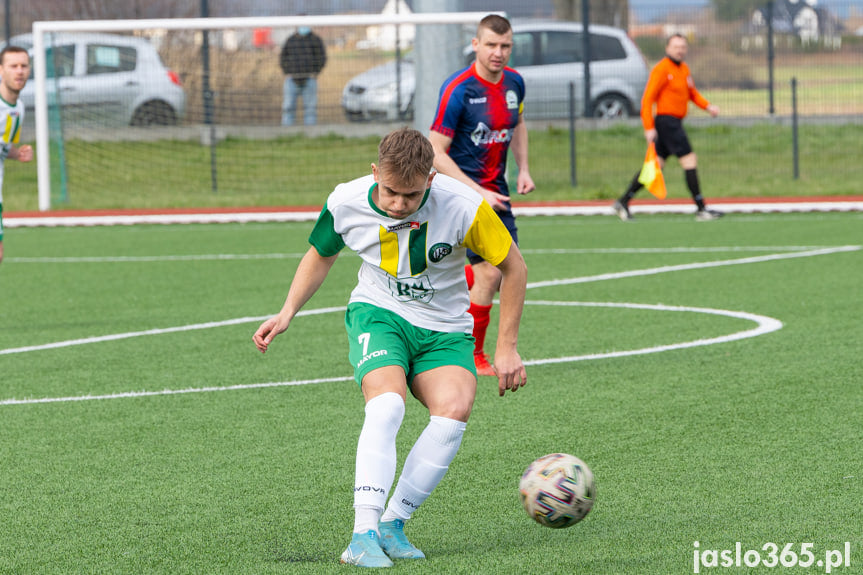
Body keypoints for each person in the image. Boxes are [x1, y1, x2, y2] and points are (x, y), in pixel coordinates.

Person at [252, 128, 527, 568]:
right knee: (387, 407)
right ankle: (361, 535)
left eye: (411, 195)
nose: (399, 203)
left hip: (444, 327)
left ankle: (393, 524)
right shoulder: (345, 201)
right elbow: (321, 254)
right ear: (374, 172)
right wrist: (287, 312)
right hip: (379, 314)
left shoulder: (464, 206)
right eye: (390, 192)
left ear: (431, 180)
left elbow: (514, 268)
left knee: (454, 409)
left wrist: (506, 347)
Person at [429, 14, 535, 377]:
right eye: (491, 45)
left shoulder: (515, 83)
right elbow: (435, 152)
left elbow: (518, 125)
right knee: (492, 274)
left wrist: (523, 169)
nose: (498, 53)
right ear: (475, 44)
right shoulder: (459, 89)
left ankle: (458, 278)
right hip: (459, 195)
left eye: (505, 46)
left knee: (509, 270)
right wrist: (477, 192)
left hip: (497, 195)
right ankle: (473, 355)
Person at [613, 33, 723, 222]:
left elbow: (692, 93)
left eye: (682, 47)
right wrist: (648, 127)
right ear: (667, 48)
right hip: (667, 122)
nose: (680, 50)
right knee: (689, 160)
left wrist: (708, 106)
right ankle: (701, 208)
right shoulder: (661, 69)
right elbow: (647, 100)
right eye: (676, 47)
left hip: (675, 122)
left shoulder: (684, 69)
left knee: (655, 167)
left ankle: (623, 201)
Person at [0, 46, 34, 266]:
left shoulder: (18, 108)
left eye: (24, 66)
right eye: (13, 66)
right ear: (1, 70)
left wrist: (16, 153)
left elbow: (3, 146)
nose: (19, 71)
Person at [279, 24, 327, 126]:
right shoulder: (291, 40)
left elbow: (322, 58)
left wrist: (315, 72)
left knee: (310, 108)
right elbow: (283, 57)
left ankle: (310, 133)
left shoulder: (315, 40)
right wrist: (287, 72)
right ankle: (287, 133)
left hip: (310, 79)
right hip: (292, 79)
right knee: (288, 107)